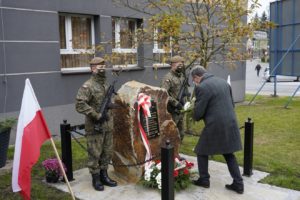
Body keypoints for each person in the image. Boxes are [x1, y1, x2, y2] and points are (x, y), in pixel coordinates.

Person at [191, 66, 244, 194]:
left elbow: (198, 113)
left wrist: (193, 108)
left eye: (194, 80)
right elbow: (231, 104)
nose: (195, 83)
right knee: (228, 152)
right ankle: (238, 183)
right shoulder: (223, 82)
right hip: (230, 121)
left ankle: (204, 180)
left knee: (201, 150)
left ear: (197, 77)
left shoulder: (201, 87)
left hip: (215, 124)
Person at [75, 57, 117, 191]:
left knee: (107, 152)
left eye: (104, 66)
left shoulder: (105, 84)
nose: (102, 69)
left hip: (108, 125)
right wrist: (96, 115)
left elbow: (107, 102)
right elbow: (80, 105)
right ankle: (96, 178)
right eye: (99, 67)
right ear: (92, 69)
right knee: (94, 154)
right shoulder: (88, 86)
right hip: (95, 126)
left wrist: (113, 105)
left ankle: (104, 175)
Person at [161, 55, 187, 142]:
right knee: (171, 132)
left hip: (181, 109)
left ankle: (177, 150)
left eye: (182, 64)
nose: (181, 66)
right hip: (173, 110)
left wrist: (186, 100)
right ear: (172, 65)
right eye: (179, 64)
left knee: (181, 132)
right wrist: (175, 103)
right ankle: (168, 150)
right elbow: (164, 93)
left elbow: (184, 90)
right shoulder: (168, 78)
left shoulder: (182, 76)